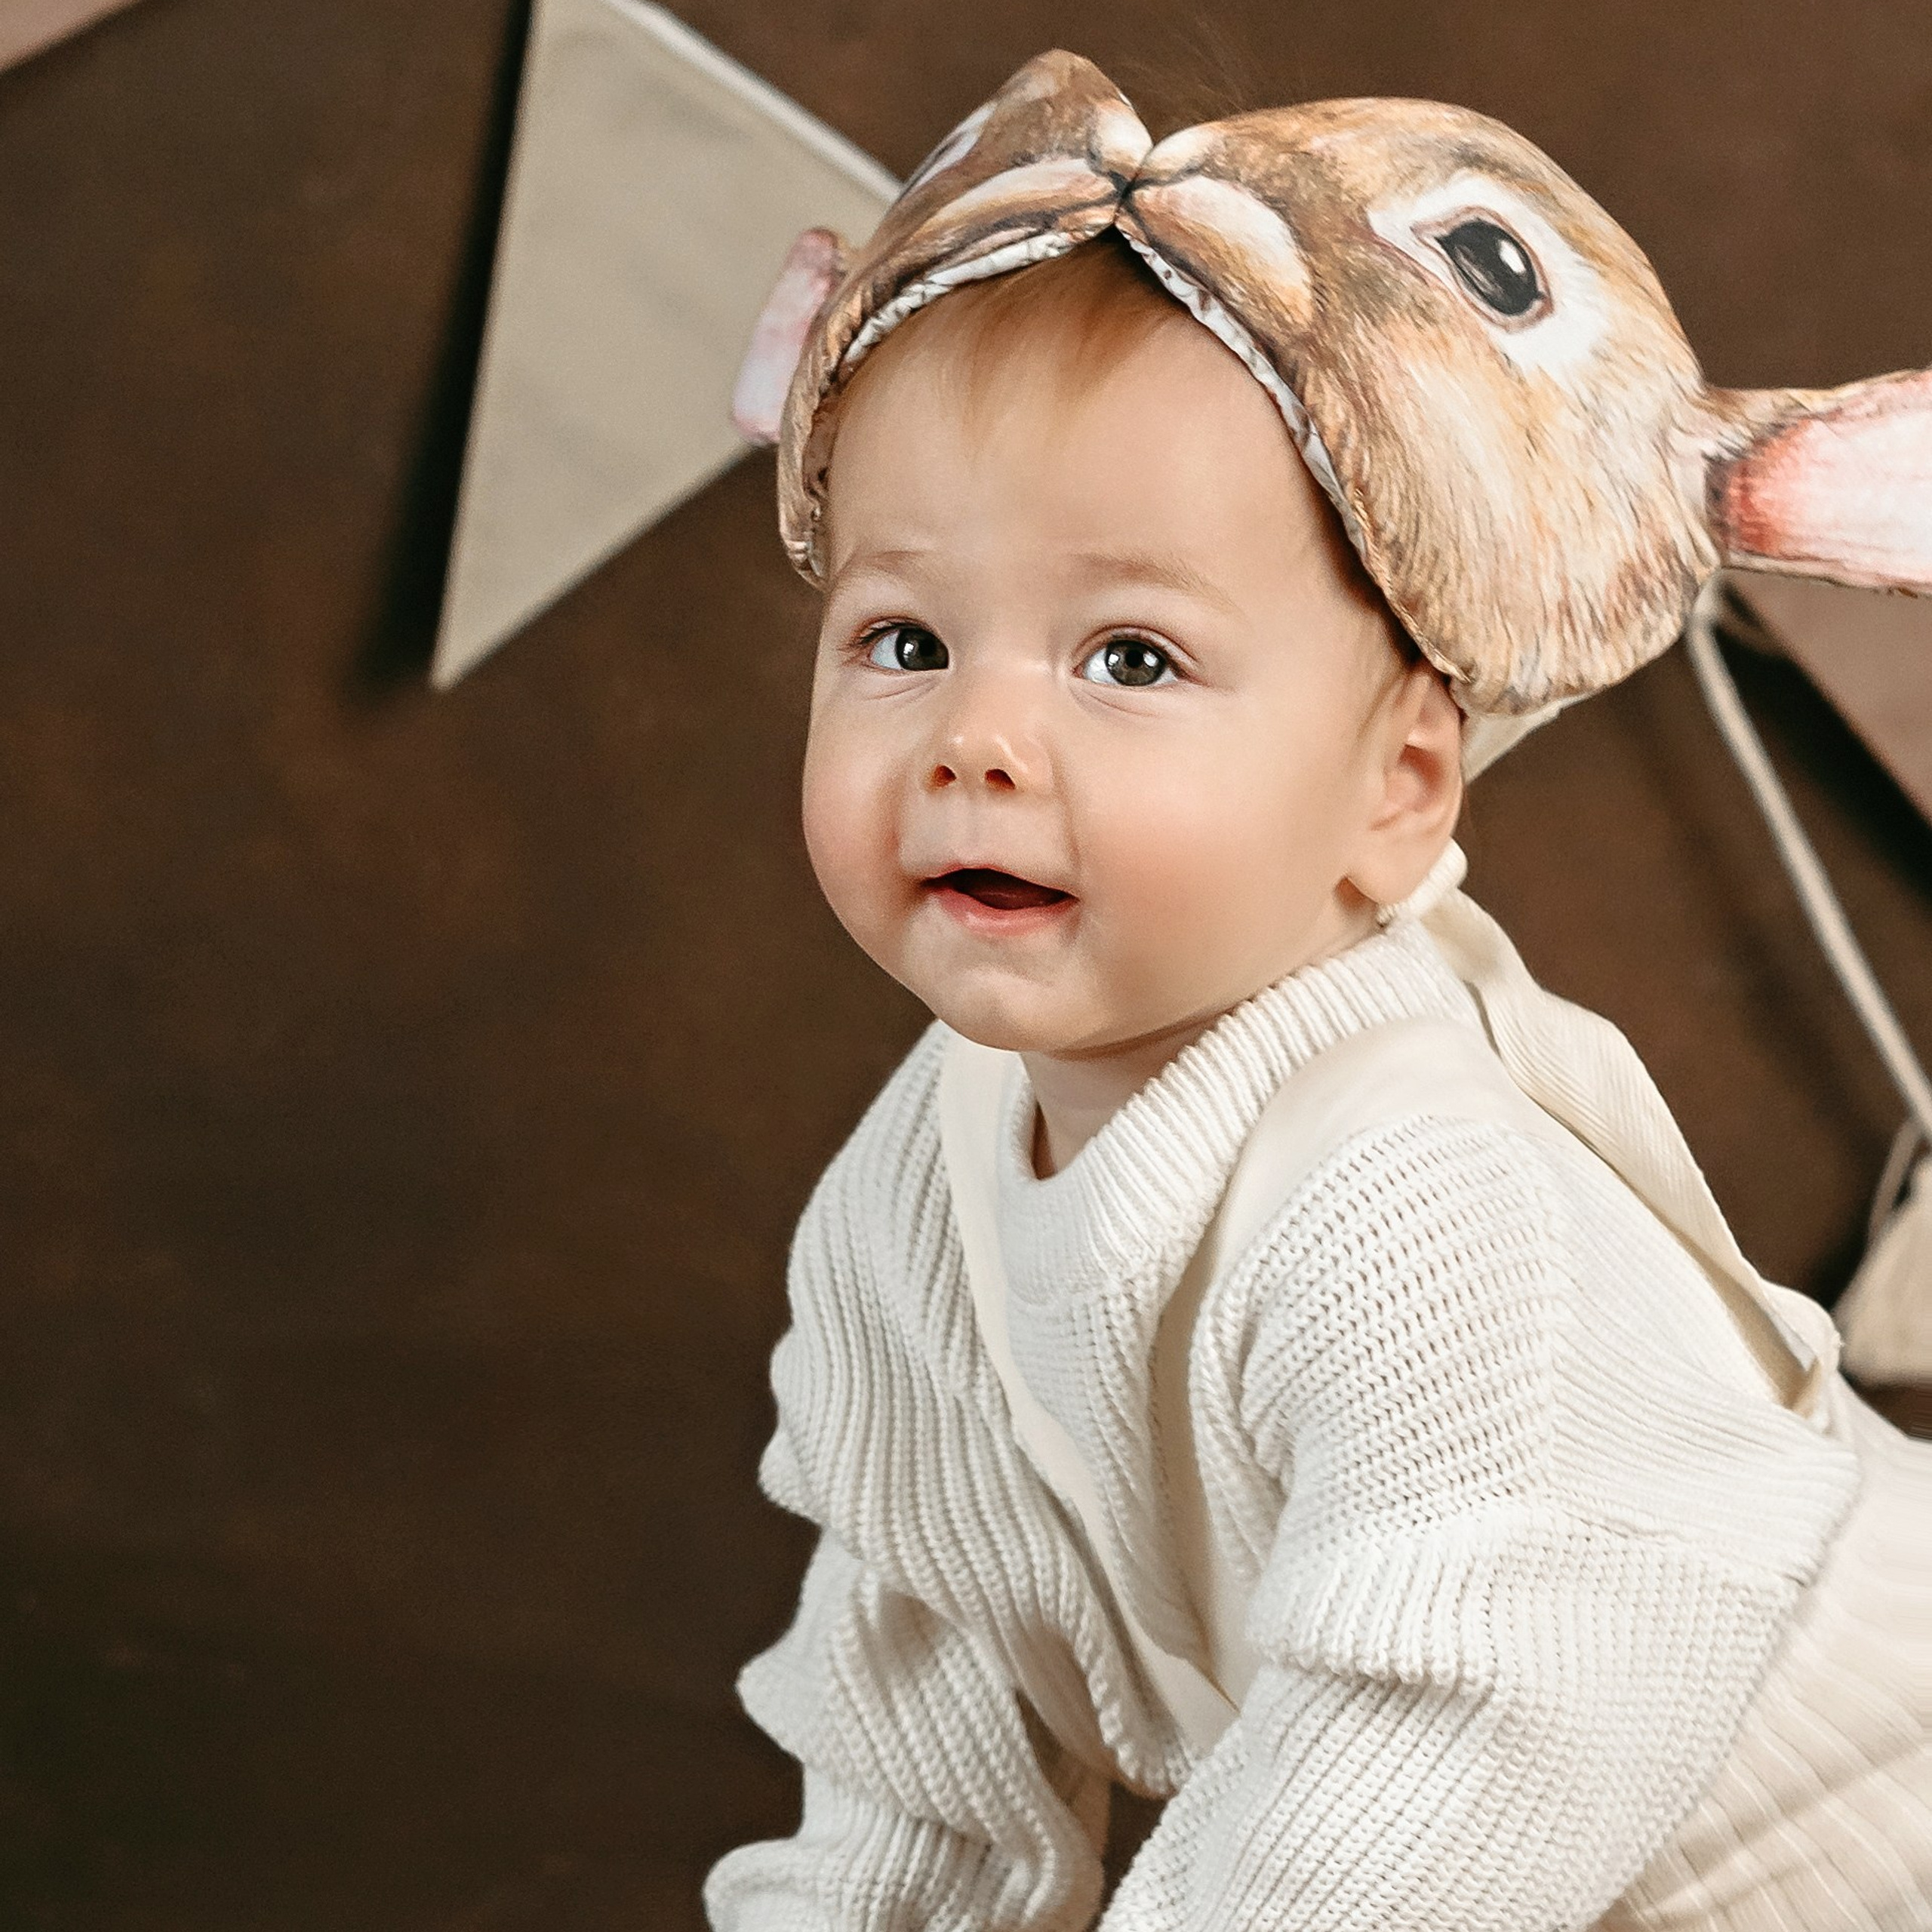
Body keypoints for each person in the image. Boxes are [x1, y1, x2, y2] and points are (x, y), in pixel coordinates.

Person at [705, 52, 1932, 1932]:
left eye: (1127, 654)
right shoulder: (914, 1186)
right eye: (905, 638)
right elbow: (913, 1704)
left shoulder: (1419, 1202)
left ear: (1398, 790)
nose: (973, 737)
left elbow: (1407, 1784)